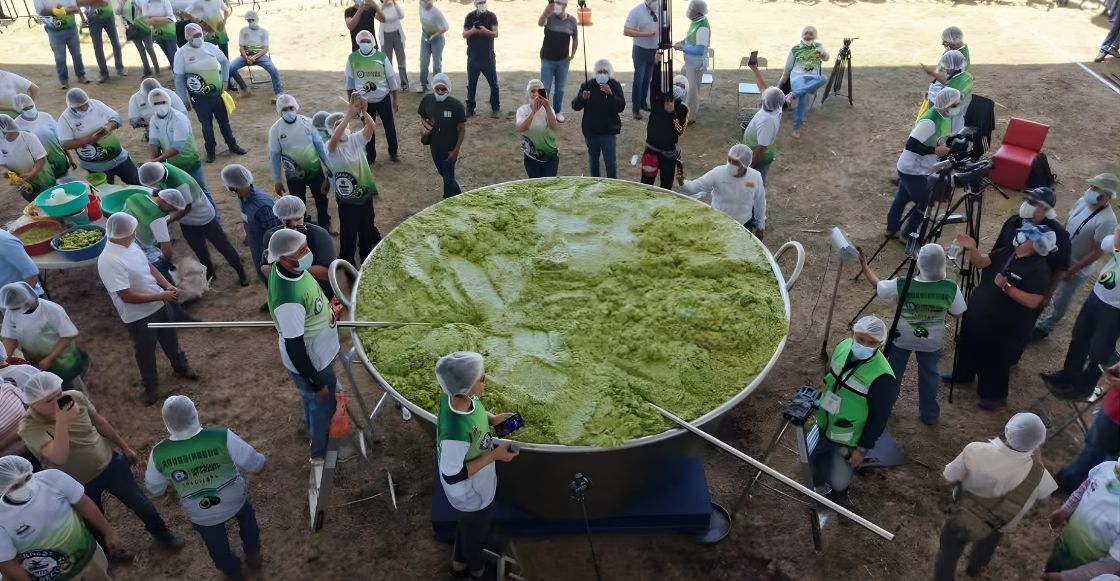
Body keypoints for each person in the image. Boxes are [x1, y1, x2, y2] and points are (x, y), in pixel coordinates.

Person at [18, 371, 186, 563]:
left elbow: (99, 422)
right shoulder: (29, 427)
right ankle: (111, 551)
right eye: (49, 400)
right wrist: (62, 420)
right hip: (77, 483)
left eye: (59, 393)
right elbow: (59, 456)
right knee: (93, 521)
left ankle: (162, 533)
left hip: (109, 464)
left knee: (140, 502)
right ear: (32, 404)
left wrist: (125, 448)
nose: (59, 401)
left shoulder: (74, 397)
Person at [146, 396, 266, 579]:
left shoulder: (158, 452)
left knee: (216, 545)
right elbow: (256, 464)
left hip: (201, 511)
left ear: (167, 423)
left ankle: (231, 570)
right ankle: (253, 554)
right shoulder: (221, 436)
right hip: (235, 499)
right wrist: (262, 460)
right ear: (195, 414)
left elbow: (155, 488)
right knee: (247, 518)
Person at [935, 413, 1056, 581]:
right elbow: (1044, 497)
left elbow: (947, 478)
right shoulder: (1040, 476)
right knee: (985, 548)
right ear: (1038, 445)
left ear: (1007, 430)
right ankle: (973, 569)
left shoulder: (975, 450)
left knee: (947, 554)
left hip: (961, 515)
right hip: (998, 523)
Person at [949, 223, 1057, 410]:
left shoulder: (1039, 269)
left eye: (1027, 236)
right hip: (978, 316)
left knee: (994, 359)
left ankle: (993, 396)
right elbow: (982, 262)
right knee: (968, 344)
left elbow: (1034, 301)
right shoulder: (1009, 251)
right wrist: (972, 248)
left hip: (1002, 325)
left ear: (1037, 245)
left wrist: (1007, 288)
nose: (1021, 236)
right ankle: (963, 374)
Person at [97, 212, 198, 405]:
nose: (135, 234)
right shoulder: (108, 261)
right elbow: (126, 296)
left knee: (171, 339)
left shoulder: (130, 244)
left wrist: (166, 285)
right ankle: (151, 387)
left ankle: (181, 366)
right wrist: (162, 296)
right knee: (145, 351)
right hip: (139, 316)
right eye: (132, 231)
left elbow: (149, 267)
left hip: (160, 304)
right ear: (123, 234)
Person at [860, 244, 966, 425]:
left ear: (919, 263)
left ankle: (884, 408)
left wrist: (864, 265)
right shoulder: (950, 287)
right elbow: (958, 313)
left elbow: (878, 286)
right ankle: (929, 414)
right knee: (930, 375)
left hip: (902, 338)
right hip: (931, 342)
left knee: (892, 374)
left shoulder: (903, 282)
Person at [435, 351, 518, 581]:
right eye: (481, 378)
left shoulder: (457, 396)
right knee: (475, 534)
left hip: (478, 482)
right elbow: (452, 475)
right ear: (464, 389)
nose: (486, 380)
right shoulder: (455, 434)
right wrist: (495, 456)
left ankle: (458, 562)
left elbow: (477, 409)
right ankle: (477, 571)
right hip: (470, 494)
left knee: (470, 525)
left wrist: (493, 419)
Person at [266, 229, 341, 462]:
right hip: (314, 363)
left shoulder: (292, 270)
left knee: (312, 402)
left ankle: (313, 429)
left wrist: (328, 310)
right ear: (284, 259)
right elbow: (295, 347)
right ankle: (320, 453)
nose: (308, 253)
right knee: (323, 406)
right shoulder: (288, 299)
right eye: (301, 252)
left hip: (320, 354)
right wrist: (316, 383)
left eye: (306, 247)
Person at [810, 316, 898, 504]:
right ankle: (816, 482)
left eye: (871, 343)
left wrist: (862, 449)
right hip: (825, 421)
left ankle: (838, 498)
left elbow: (878, 418)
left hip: (847, 437)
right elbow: (830, 376)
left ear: (880, 344)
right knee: (820, 455)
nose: (863, 345)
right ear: (852, 333)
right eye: (860, 339)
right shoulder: (843, 346)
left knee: (840, 473)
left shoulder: (883, 377)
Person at [0, 455, 118, 581]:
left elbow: (84, 504)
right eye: (15, 486)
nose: (26, 486)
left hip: (88, 556)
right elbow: (8, 564)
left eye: (28, 478)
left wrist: (108, 532)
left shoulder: (53, 478)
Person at [1034, 174, 1120, 340]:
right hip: (1061, 256)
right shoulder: (1083, 201)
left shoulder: (1107, 220)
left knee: (1061, 299)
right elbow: (1068, 224)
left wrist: (1072, 270)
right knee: (1045, 287)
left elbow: (1097, 252)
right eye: (1091, 187)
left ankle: (1046, 327)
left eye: (1096, 189)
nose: (1091, 191)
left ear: (1107, 195)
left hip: (1076, 267)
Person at [1041, 224, 1120, 401]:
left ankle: (1085, 388)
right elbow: (1106, 244)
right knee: (1080, 334)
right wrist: (1117, 237)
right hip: (1099, 292)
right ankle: (1068, 374)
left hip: (1116, 307)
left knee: (1100, 348)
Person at [885, 87, 960, 242]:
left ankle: (892, 229)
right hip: (912, 169)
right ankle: (907, 235)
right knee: (924, 202)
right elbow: (911, 144)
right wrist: (935, 150)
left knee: (902, 197)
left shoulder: (943, 116)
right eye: (955, 105)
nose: (957, 107)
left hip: (912, 167)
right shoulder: (929, 122)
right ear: (945, 105)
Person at [174, 22, 247, 164]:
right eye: (194, 36)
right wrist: (184, 99)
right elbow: (178, 78)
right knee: (206, 126)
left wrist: (225, 80)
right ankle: (210, 151)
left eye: (199, 34)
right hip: (199, 98)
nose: (198, 38)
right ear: (187, 37)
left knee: (224, 122)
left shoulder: (210, 47)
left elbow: (225, 62)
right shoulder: (181, 53)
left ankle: (232, 145)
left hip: (217, 94)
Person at [0, 282, 88, 391]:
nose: (13, 311)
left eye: (16, 308)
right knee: (47, 390)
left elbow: (68, 335)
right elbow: (10, 339)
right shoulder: (11, 312)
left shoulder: (51, 309)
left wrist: (50, 358)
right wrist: (3, 359)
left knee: (72, 390)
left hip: (62, 360)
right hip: (35, 361)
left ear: (28, 300)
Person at [325, 99, 382, 266]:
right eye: (338, 125)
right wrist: (349, 115)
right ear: (332, 130)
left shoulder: (355, 139)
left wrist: (364, 111)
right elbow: (334, 140)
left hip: (364, 195)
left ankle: (366, 258)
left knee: (366, 229)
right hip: (347, 200)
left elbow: (371, 126)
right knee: (348, 233)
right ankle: (347, 263)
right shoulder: (331, 147)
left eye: (343, 124)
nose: (342, 127)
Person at [154, 188, 249, 286]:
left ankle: (240, 271)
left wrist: (167, 221)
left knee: (223, 246)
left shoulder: (180, 183)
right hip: (187, 223)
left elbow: (187, 207)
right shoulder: (163, 185)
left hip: (204, 218)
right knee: (200, 251)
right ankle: (210, 273)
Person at [1045, 457, 1120, 580]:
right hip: (1064, 544)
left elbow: (1111, 564)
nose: (1115, 474)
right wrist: (1065, 510)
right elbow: (1085, 486)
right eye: (1117, 470)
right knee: (1051, 568)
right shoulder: (1106, 467)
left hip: (1084, 569)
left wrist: (1065, 577)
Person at [1054, 362, 1120, 493]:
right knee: (1094, 452)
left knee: (1111, 466)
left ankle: (1087, 491)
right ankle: (1071, 483)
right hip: (1113, 410)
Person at [269, 94, 331, 229]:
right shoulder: (275, 130)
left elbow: (320, 147)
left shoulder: (308, 122)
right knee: (298, 203)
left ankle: (324, 224)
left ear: (296, 107)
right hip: (294, 176)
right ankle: (303, 226)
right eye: (284, 109)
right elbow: (274, 155)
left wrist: (330, 169)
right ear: (279, 111)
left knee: (321, 199)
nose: (288, 111)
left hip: (315, 171)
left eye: (291, 108)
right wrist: (277, 180)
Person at [679, 144, 767, 237]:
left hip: (743, 224)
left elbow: (760, 201)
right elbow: (694, 187)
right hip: (718, 221)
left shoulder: (755, 177)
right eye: (729, 159)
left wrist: (760, 225)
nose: (730, 164)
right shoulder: (718, 173)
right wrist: (683, 183)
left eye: (735, 162)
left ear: (745, 164)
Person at [57, 88, 140, 185]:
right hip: (95, 166)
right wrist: (90, 139)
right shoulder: (65, 119)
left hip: (119, 157)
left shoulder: (95, 104)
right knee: (106, 191)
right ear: (71, 106)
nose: (84, 108)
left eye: (85, 104)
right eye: (79, 107)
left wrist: (108, 127)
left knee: (137, 182)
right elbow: (65, 144)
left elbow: (117, 118)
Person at [261, 196, 339, 298]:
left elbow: (329, 274)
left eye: (298, 219)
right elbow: (265, 269)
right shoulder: (272, 237)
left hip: (319, 293)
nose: (294, 224)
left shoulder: (318, 235)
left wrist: (290, 266)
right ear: (280, 219)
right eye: (288, 221)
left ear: (303, 215)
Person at [346, 29, 401, 164]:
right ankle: (370, 157)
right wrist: (352, 103)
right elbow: (350, 81)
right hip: (364, 102)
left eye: (367, 41)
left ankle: (393, 152)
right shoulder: (352, 58)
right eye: (362, 41)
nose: (365, 43)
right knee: (368, 129)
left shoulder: (381, 57)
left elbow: (391, 78)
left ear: (373, 42)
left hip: (383, 98)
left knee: (389, 127)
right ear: (358, 42)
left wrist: (394, 99)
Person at [222, 164, 281, 283]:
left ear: (233, 187)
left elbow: (274, 235)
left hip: (265, 249)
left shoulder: (262, 206)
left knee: (271, 278)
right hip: (255, 244)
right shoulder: (243, 196)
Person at [571, 58, 625, 178]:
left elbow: (621, 106)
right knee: (593, 161)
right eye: (599, 72)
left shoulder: (614, 85)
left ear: (609, 72)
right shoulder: (587, 85)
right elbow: (575, 106)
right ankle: (594, 183)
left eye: (605, 72)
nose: (602, 74)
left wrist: (610, 94)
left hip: (609, 132)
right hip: (591, 132)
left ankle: (612, 184)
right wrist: (582, 98)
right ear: (595, 72)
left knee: (610, 162)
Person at [147, 87, 207, 190]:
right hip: (173, 164)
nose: (160, 105)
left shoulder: (179, 118)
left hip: (189, 161)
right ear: (151, 105)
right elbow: (153, 141)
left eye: (163, 102)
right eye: (156, 103)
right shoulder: (154, 120)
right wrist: (152, 160)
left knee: (200, 189)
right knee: (179, 190)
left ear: (169, 101)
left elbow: (177, 147)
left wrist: (155, 161)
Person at [640, 67, 689, 190]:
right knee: (646, 184)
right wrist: (657, 65)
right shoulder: (659, 100)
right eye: (677, 84)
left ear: (685, 91)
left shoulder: (683, 109)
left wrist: (673, 113)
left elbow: (680, 130)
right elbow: (655, 84)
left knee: (666, 187)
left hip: (669, 154)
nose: (679, 87)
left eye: (682, 86)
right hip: (651, 150)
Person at [418, 73, 466, 198]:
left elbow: (462, 129)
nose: (440, 92)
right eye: (437, 89)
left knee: (448, 176)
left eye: (443, 89)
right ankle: (452, 196)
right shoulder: (427, 100)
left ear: (448, 89)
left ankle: (455, 198)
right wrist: (427, 127)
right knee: (443, 173)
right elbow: (422, 116)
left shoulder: (456, 106)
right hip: (434, 146)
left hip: (449, 147)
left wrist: (456, 151)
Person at [779, 26, 829, 139]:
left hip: (812, 79)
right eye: (806, 33)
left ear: (815, 36)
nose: (808, 35)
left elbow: (826, 58)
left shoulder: (818, 46)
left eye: (811, 33)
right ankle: (796, 128)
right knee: (804, 94)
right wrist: (780, 84)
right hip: (798, 78)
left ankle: (793, 94)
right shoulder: (795, 49)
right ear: (802, 35)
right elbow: (787, 69)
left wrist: (823, 54)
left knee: (824, 78)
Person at [14, 94, 75, 184]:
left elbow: (61, 138)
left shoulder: (46, 117)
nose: (30, 109)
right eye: (25, 108)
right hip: (42, 170)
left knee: (65, 185)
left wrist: (71, 157)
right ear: (18, 109)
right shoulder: (16, 126)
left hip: (59, 161)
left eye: (31, 106)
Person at [32, 0, 89, 89]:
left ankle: (81, 75)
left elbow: (75, 9)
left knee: (76, 54)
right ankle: (63, 81)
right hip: (54, 31)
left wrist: (61, 11)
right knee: (60, 57)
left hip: (71, 28)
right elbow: (41, 11)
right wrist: (55, 11)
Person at [537, 0, 577, 123]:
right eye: (556, 3)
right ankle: (543, 111)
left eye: (560, 3)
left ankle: (557, 111)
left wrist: (572, 54)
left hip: (563, 61)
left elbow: (575, 38)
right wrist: (547, 10)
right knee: (545, 87)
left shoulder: (572, 20)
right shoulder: (549, 17)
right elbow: (540, 23)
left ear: (565, 5)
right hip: (547, 59)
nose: (557, 5)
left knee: (560, 89)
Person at [228, 11, 283, 100]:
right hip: (245, 56)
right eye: (248, 20)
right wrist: (246, 57)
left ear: (256, 19)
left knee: (273, 69)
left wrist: (254, 57)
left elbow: (265, 49)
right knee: (230, 68)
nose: (250, 22)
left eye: (252, 20)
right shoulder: (243, 30)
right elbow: (241, 47)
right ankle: (245, 89)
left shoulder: (264, 31)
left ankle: (279, 93)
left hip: (260, 56)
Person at [0, 116, 56, 202]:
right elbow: (3, 164)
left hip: (42, 177)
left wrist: (31, 173)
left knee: (51, 198)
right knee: (35, 203)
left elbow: (41, 159)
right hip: (23, 183)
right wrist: (10, 174)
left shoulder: (28, 137)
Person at [741, 81, 784, 183]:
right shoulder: (775, 107)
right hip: (754, 153)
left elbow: (761, 148)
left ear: (765, 100)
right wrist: (756, 72)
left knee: (754, 183)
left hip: (759, 159)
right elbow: (764, 90)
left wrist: (750, 166)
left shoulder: (767, 122)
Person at [673, 0, 709, 122]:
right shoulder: (695, 22)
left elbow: (699, 49)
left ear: (697, 12)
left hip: (696, 64)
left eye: (690, 9)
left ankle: (690, 116)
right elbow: (690, 37)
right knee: (684, 84)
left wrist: (683, 47)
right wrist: (682, 42)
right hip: (689, 63)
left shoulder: (702, 27)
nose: (688, 11)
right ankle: (682, 108)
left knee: (692, 91)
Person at [463, 0, 500, 119]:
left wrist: (485, 31)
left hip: (488, 58)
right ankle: (470, 109)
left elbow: (495, 33)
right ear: (475, 4)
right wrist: (473, 30)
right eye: (480, 2)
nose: (482, 4)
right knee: (471, 85)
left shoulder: (491, 16)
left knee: (494, 84)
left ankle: (495, 108)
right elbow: (464, 34)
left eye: (484, 1)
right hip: (473, 58)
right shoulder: (469, 16)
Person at [516, 79, 559, 179]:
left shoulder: (549, 109)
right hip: (531, 157)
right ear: (528, 93)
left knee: (549, 184)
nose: (536, 94)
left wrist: (547, 107)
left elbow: (553, 127)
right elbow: (521, 128)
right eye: (532, 91)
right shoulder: (523, 110)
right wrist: (533, 112)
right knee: (535, 185)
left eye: (539, 91)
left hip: (550, 157)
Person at [623, 0, 659, 120]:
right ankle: (636, 108)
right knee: (639, 79)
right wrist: (645, 34)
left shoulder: (661, 9)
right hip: (640, 50)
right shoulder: (636, 11)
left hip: (655, 50)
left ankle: (643, 102)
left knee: (647, 79)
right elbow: (626, 31)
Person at [922, 50, 972, 134]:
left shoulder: (962, 79)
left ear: (953, 65)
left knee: (949, 135)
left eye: (947, 65)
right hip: (947, 117)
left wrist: (933, 74)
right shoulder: (958, 75)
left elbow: (950, 92)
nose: (945, 67)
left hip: (951, 120)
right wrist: (930, 92)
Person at [84, 0, 127, 83]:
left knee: (115, 42)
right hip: (93, 17)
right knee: (97, 46)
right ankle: (103, 72)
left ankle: (120, 68)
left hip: (108, 15)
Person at [417, 0, 448, 94]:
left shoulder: (436, 12)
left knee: (436, 63)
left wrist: (434, 35)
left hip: (437, 38)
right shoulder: (421, 6)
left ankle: (437, 86)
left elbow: (446, 27)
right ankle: (423, 84)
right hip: (425, 35)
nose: (425, 3)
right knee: (423, 61)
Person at [134, 0, 175, 72]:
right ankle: (175, 74)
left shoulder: (165, 1)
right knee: (168, 55)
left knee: (173, 56)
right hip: (157, 33)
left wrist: (153, 19)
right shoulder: (146, 3)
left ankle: (177, 75)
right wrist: (158, 20)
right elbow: (146, 20)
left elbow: (171, 19)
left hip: (169, 32)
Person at [378, 0, 409, 92]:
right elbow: (379, 17)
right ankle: (390, 84)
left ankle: (404, 83)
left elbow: (402, 15)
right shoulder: (380, 7)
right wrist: (384, 5)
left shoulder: (394, 6)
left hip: (397, 34)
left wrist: (395, 3)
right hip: (385, 36)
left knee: (401, 59)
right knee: (387, 61)